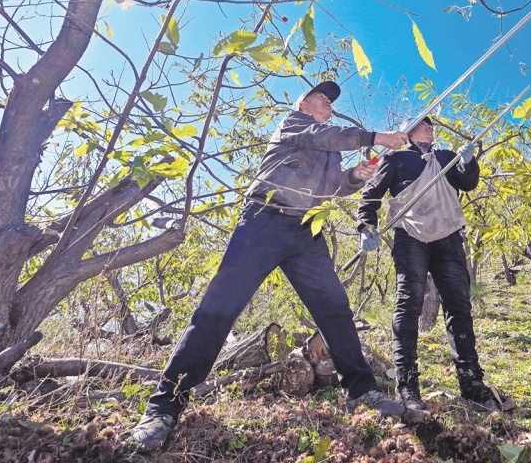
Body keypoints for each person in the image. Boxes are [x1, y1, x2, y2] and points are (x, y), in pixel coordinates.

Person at [131, 80, 410, 452]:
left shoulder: (328, 146)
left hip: (305, 232)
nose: (328, 101)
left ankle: (362, 392)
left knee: (335, 311)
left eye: (330, 99)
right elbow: (324, 137)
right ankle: (163, 407)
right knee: (217, 310)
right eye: (321, 97)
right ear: (303, 103)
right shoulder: (295, 125)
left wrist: (354, 178)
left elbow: (331, 186)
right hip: (263, 220)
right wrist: (376, 136)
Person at [357, 115, 514, 415]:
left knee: (459, 306)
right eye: (423, 123)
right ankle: (408, 386)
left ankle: (471, 384)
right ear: (408, 130)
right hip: (410, 236)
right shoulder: (397, 159)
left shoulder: (445, 157)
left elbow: (468, 184)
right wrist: (366, 226)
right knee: (409, 303)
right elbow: (370, 195)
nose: (430, 126)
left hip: (448, 235)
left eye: (431, 124)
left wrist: (468, 162)